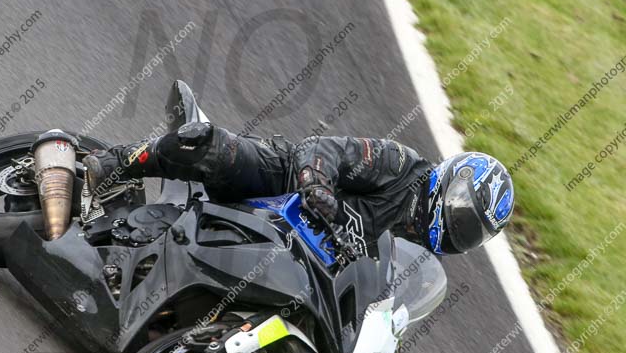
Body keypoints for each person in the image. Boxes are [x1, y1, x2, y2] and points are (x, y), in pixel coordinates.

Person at [82, 121, 514, 257]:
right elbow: (324, 149)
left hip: (298, 258)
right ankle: (117, 162)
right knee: (210, 147)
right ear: (449, 182)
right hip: (282, 180)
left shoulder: (412, 255)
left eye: (471, 230)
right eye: (463, 215)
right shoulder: (400, 165)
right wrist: (316, 185)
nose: (459, 229)